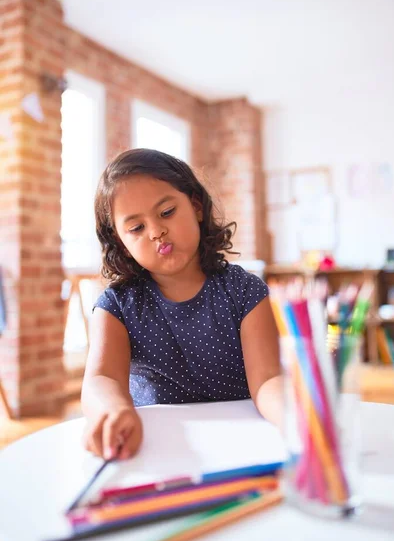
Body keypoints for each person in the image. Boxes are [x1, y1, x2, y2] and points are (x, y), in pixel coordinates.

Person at [82, 148, 282, 461]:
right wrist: (113, 409)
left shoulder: (244, 291)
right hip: (158, 449)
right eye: (136, 228)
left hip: (242, 444)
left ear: (196, 206)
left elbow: (269, 380)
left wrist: (294, 416)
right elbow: (101, 379)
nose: (156, 231)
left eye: (166, 213)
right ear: (120, 242)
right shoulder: (117, 306)